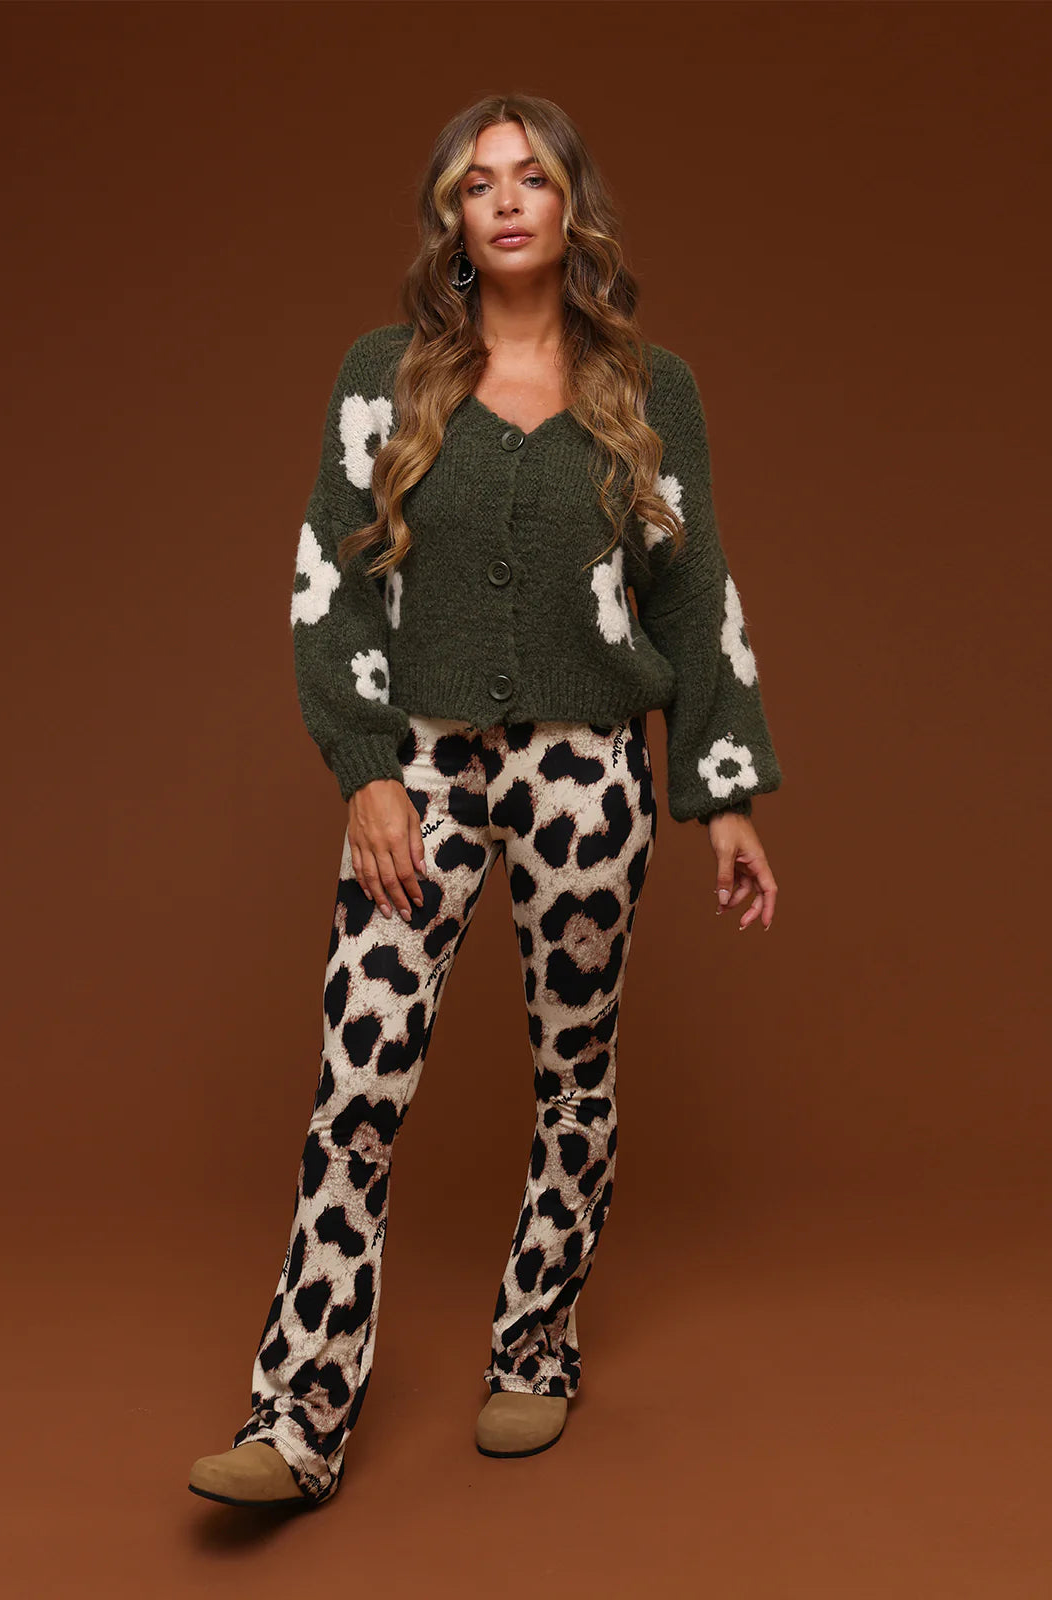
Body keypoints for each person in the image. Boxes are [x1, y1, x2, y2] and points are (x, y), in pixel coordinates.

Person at [188, 92, 783, 1509]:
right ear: (451, 220)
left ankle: (535, 1346)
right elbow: (329, 587)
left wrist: (724, 794)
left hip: (590, 769)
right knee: (359, 1078)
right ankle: (297, 1417)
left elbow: (694, 595)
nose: (506, 201)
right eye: (477, 183)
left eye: (531, 178)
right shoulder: (384, 376)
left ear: (573, 207)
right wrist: (366, 771)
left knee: (575, 1073)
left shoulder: (653, 389)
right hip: (426, 771)